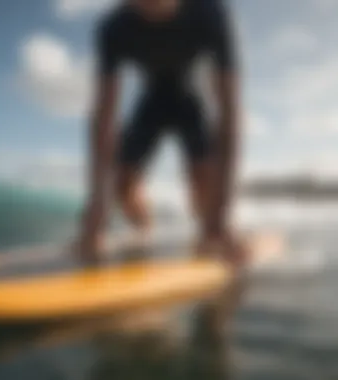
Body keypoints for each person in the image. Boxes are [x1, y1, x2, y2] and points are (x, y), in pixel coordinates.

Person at [78, 0, 245, 266]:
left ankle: (208, 228)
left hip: (188, 101)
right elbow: (104, 117)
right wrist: (96, 210)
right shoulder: (114, 28)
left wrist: (221, 217)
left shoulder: (209, 12)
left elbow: (230, 110)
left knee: (203, 184)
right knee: (123, 185)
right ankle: (145, 230)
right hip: (152, 103)